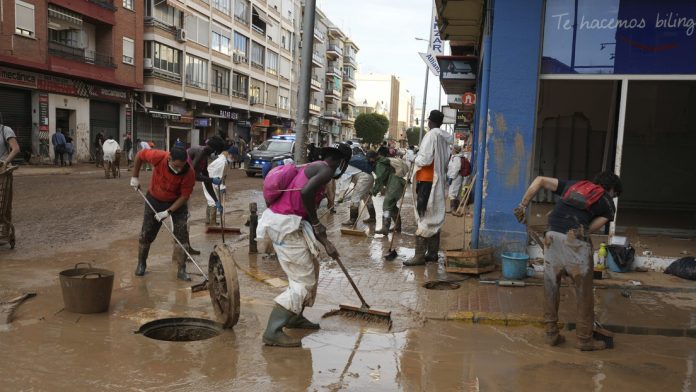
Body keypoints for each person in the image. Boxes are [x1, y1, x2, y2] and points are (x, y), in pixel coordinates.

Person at [256, 143, 352, 347]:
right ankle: (272, 331)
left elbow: (307, 211)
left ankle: (294, 317)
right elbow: (305, 193)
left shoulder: (315, 166)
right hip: (285, 225)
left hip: (290, 223)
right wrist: (317, 224)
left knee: (311, 270)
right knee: (303, 281)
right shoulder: (325, 170)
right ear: (341, 162)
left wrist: (325, 242)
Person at [515, 171, 622, 351]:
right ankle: (585, 339)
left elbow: (540, 180)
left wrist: (522, 205)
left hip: (551, 234)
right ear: (611, 190)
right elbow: (589, 229)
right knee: (584, 293)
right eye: (615, 194)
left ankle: (551, 334)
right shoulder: (608, 203)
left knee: (551, 286)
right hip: (576, 239)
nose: (614, 197)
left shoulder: (575, 185)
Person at [130, 147, 196, 281]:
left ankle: (182, 269)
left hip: (177, 203)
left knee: (182, 236)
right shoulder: (159, 156)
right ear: (169, 159)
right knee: (146, 234)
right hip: (154, 199)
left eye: (181, 167)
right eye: (176, 166)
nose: (179, 170)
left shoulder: (189, 172)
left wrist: (168, 211)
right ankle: (141, 263)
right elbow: (139, 156)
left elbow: (185, 196)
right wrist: (135, 176)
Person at [404, 110, 452, 266]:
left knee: (423, 216)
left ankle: (419, 256)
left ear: (430, 122)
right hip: (436, 180)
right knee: (433, 215)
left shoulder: (431, 135)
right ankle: (432, 253)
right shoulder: (444, 138)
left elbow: (424, 159)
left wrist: (412, 157)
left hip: (427, 181)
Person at [186, 136, 227, 254]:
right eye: (217, 153)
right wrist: (211, 180)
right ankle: (183, 250)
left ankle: (186, 247)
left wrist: (216, 201)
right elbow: (192, 174)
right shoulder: (201, 152)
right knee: (184, 218)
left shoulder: (204, 157)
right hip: (179, 185)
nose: (216, 155)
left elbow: (206, 181)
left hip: (186, 186)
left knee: (186, 218)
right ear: (214, 150)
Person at [373, 147, 408, 235]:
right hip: (398, 183)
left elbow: (380, 178)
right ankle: (397, 226)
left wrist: (374, 190)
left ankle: (385, 228)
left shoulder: (380, 163)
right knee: (392, 206)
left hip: (394, 183)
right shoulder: (387, 161)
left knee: (387, 204)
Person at [342, 150, 377, 226]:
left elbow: (345, 184)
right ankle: (372, 217)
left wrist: (341, 196)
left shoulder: (345, 167)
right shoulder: (351, 164)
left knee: (355, 198)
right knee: (367, 198)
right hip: (369, 177)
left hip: (364, 179)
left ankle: (352, 220)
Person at [204, 151, 228, 225]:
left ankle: (208, 220)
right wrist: (222, 187)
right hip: (210, 179)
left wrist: (222, 186)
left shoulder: (221, 160)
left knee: (210, 199)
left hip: (209, 178)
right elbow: (221, 176)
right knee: (213, 201)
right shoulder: (223, 162)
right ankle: (212, 222)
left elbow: (222, 176)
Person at [446, 145, 465, 211]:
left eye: (452, 149)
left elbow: (456, 168)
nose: (451, 150)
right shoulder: (454, 157)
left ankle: (453, 209)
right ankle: (454, 209)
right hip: (455, 177)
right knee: (455, 193)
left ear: (455, 150)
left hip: (456, 177)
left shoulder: (457, 158)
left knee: (453, 193)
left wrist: (451, 177)